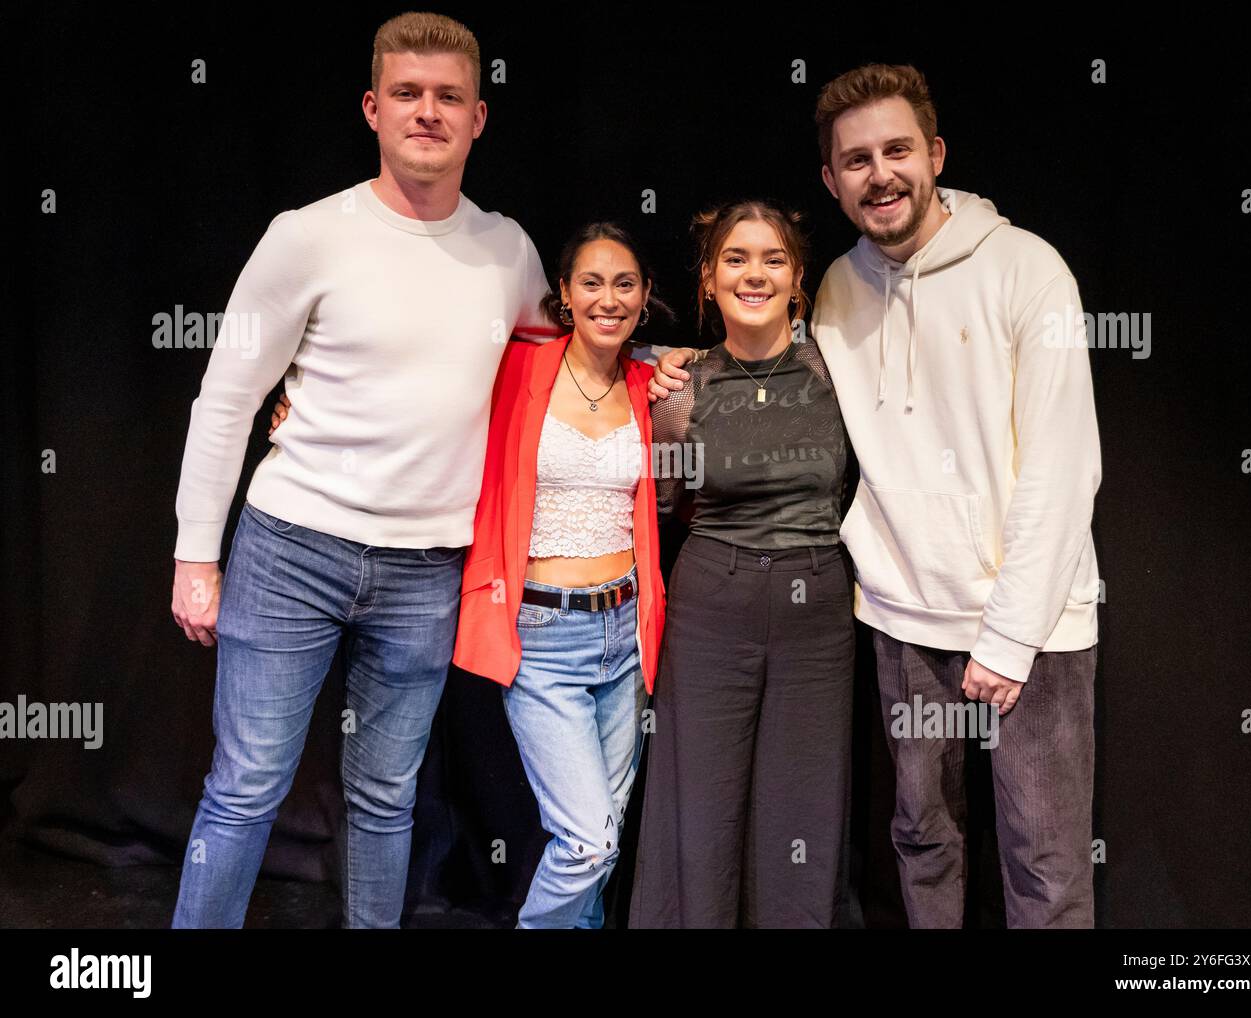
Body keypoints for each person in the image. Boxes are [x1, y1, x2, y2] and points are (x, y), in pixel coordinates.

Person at [653, 64, 1103, 929]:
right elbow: (762, 365)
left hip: (1034, 628)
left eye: (897, 150)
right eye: (855, 160)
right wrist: (656, 363)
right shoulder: (838, 289)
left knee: (1044, 865)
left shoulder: (1027, 269)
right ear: (831, 180)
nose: (880, 174)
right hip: (902, 618)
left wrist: (1008, 638)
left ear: (934, 153)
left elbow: (1063, 464)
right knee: (922, 843)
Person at [169, 12, 560, 929]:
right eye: (409, 95)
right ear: (373, 108)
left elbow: (565, 370)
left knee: (387, 800)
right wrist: (196, 557)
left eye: (449, 97)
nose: (428, 113)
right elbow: (226, 400)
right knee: (247, 787)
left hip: (428, 569)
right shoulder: (308, 234)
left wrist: (657, 373)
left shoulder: (508, 251)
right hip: (290, 549)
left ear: (478, 117)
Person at [275, 224, 671, 929]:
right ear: (563, 296)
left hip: (626, 633)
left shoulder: (651, 382)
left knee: (602, 845)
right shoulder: (518, 370)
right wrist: (302, 409)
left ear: (645, 296)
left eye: (625, 284)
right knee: (588, 842)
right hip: (544, 634)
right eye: (591, 282)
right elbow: (414, 389)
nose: (608, 298)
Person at [628, 201, 857, 928]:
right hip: (712, 604)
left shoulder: (837, 368)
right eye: (735, 258)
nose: (752, 273)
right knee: (701, 806)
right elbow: (663, 504)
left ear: (797, 280)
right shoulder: (683, 388)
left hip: (818, 611)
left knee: (802, 810)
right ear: (708, 279)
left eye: (772, 259)